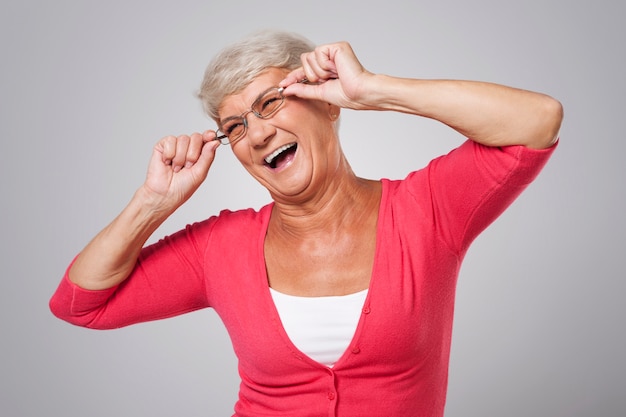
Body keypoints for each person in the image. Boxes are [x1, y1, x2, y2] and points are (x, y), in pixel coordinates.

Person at [50, 30, 562, 416]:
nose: (256, 133)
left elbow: (537, 121)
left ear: (327, 104)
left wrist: (373, 91)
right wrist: (153, 202)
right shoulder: (220, 247)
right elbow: (80, 303)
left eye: (270, 102)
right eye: (235, 126)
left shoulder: (426, 211)